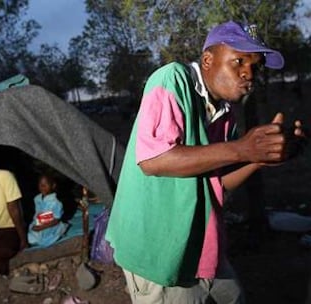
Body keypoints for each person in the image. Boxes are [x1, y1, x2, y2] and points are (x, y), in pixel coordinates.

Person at [105, 20, 304, 304]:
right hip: (158, 248)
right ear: (208, 60)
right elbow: (154, 159)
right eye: (239, 61)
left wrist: (259, 158)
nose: (249, 73)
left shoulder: (226, 114)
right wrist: (242, 149)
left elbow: (218, 183)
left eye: (256, 67)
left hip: (199, 243)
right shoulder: (172, 79)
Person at [27, 174, 68, 247]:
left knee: (45, 241)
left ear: (53, 185)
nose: (42, 187)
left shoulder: (56, 202)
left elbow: (56, 220)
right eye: (40, 184)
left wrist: (43, 227)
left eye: (46, 184)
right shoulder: (37, 198)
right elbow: (37, 213)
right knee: (30, 238)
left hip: (51, 225)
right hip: (39, 223)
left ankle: (59, 232)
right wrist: (35, 224)